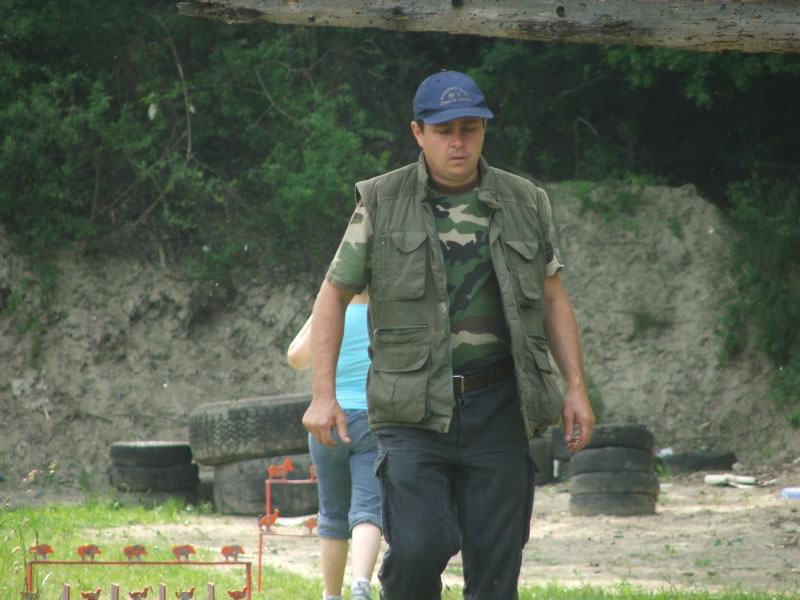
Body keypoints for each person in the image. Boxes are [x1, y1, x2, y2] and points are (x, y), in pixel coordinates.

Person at [302, 69, 595, 600]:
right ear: (418, 133)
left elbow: (553, 297)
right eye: (443, 130)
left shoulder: (524, 201)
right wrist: (324, 394)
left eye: (469, 128)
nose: (458, 142)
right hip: (412, 410)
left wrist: (576, 387)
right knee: (416, 549)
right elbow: (333, 294)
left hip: (500, 405)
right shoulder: (382, 201)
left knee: (497, 567)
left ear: (484, 130)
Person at [287, 290, 382, 600]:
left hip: (327, 419)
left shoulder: (330, 315)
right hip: (373, 421)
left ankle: (332, 594)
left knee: (332, 513)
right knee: (368, 509)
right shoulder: (386, 315)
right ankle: (361, 585)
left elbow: (296, 357)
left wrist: (319, 307)